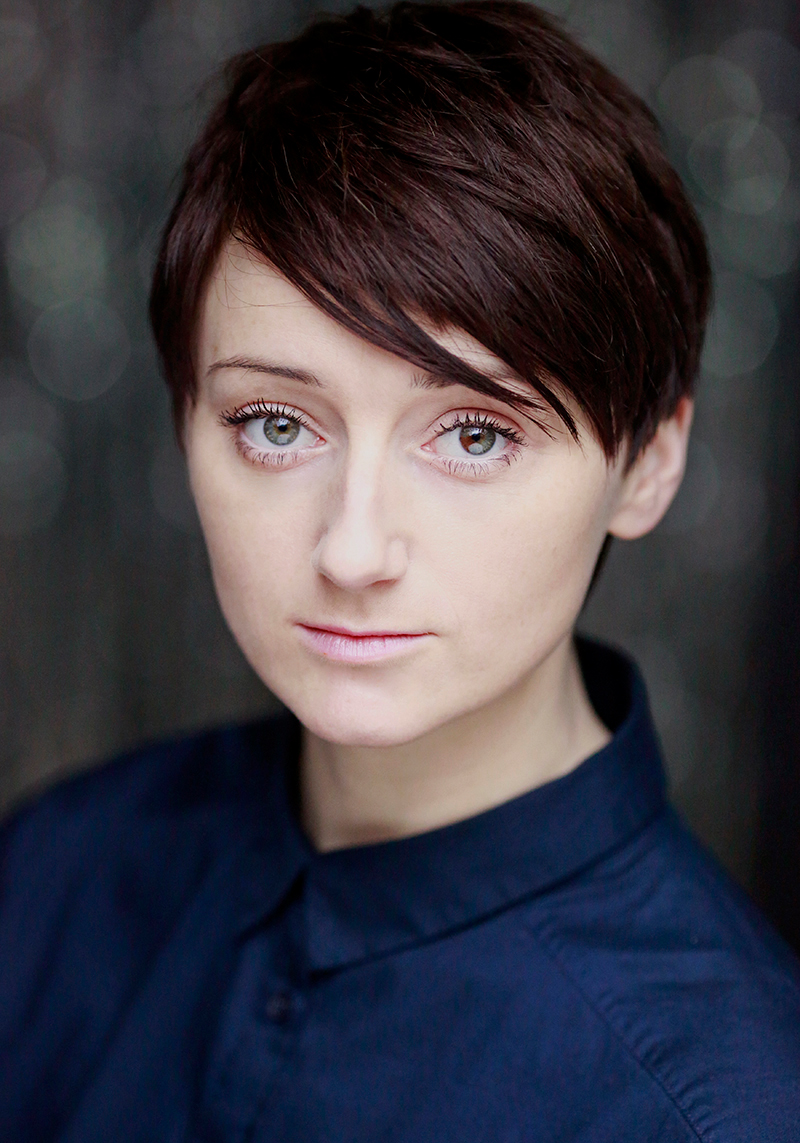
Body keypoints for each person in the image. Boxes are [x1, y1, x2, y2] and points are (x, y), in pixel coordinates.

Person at [2, 2, 799, 1139]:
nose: (351, 549)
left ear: (648, 463)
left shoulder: (720, 1103)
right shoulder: (57, 871)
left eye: (474, 434)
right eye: (277, 424)